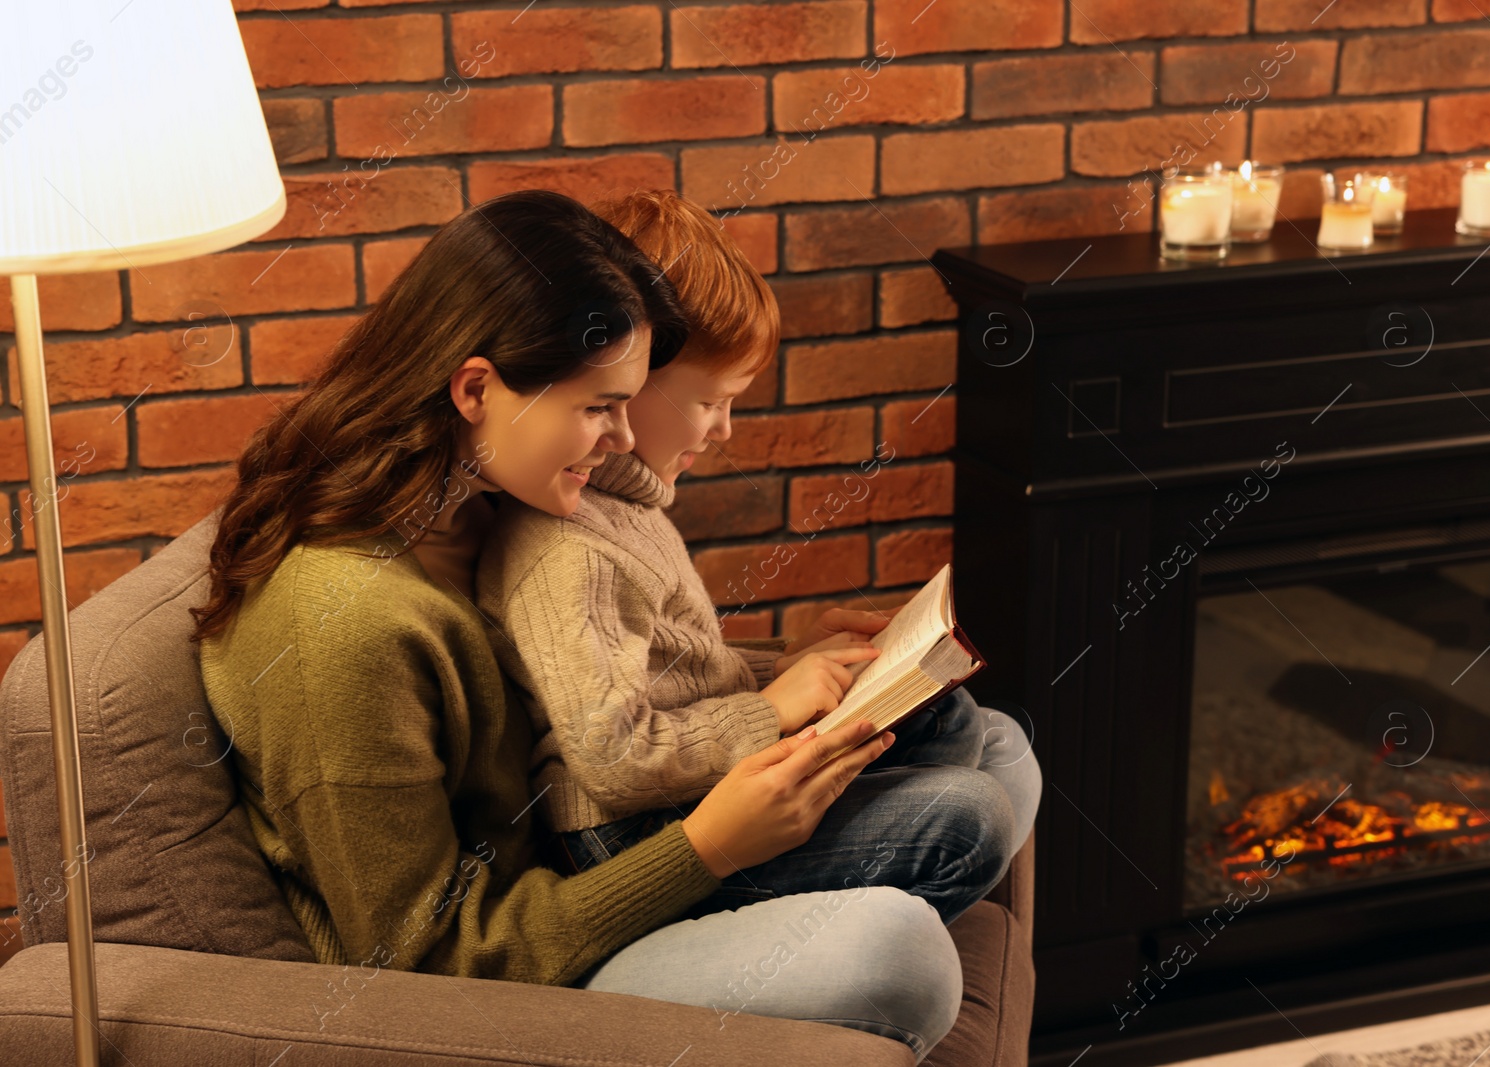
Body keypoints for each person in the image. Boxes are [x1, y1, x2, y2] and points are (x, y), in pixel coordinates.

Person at [190, 189, 963, 1061]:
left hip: (574, 871)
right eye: (598, 406)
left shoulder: (472, 509)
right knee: (905, 951)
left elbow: (590, 671)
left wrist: (776, 668)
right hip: (508, 980)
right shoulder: (341, 629)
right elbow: (430, 954)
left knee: (985, 740)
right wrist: (706, 847)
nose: (625, 439)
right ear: (476, 387)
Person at [475, 189, 1041, 927]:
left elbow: (670, 669)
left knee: (954, 719)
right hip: (634, 835)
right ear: (631, 373)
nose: (725, 430)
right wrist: (772, 707)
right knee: (968, 815)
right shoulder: (569, 546)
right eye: (712, 401)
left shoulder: (627, 507)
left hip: (688, 781)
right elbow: (612, 755)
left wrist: (797, 663)